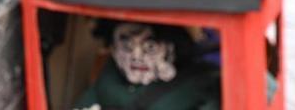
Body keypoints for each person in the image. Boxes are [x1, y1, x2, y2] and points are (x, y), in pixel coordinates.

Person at [72, 21, 220, 110]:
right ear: (113, 49)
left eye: (150, 47)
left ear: (170, 48)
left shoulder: (202, 83)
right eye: (127, 46)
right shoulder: (110, 76)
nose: (136, 56)